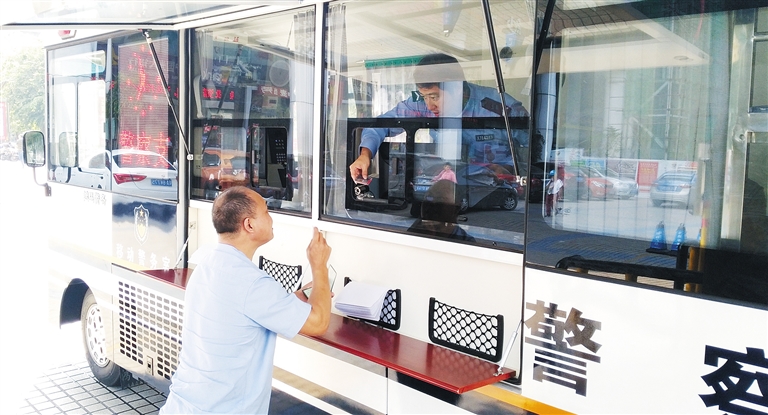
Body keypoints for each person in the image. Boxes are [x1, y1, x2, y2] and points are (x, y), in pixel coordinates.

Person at [160, 186, 332, 414]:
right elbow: (318, 323)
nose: (271, 217)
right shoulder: (252, 283)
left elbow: (242, 312)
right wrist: (319, 265)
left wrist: (295, 299)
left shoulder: (207, 265)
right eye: (266, 211)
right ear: (249, 225)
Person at [349, 53, 529, 182]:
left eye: (434, 97)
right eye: (424, 96)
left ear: (456, 88)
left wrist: (511, 168)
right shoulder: (419, 105)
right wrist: (365, 155)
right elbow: (379, 126)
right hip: (445, 189)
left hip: (496, 189)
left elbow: (534, 145)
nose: (429, 106)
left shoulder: (498, 107)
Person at [408, 179, 475, 241]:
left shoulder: (466, 242)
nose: (432, 204)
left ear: (456, 209)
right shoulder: (414, 233)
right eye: (429, 198)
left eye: (440, 200)